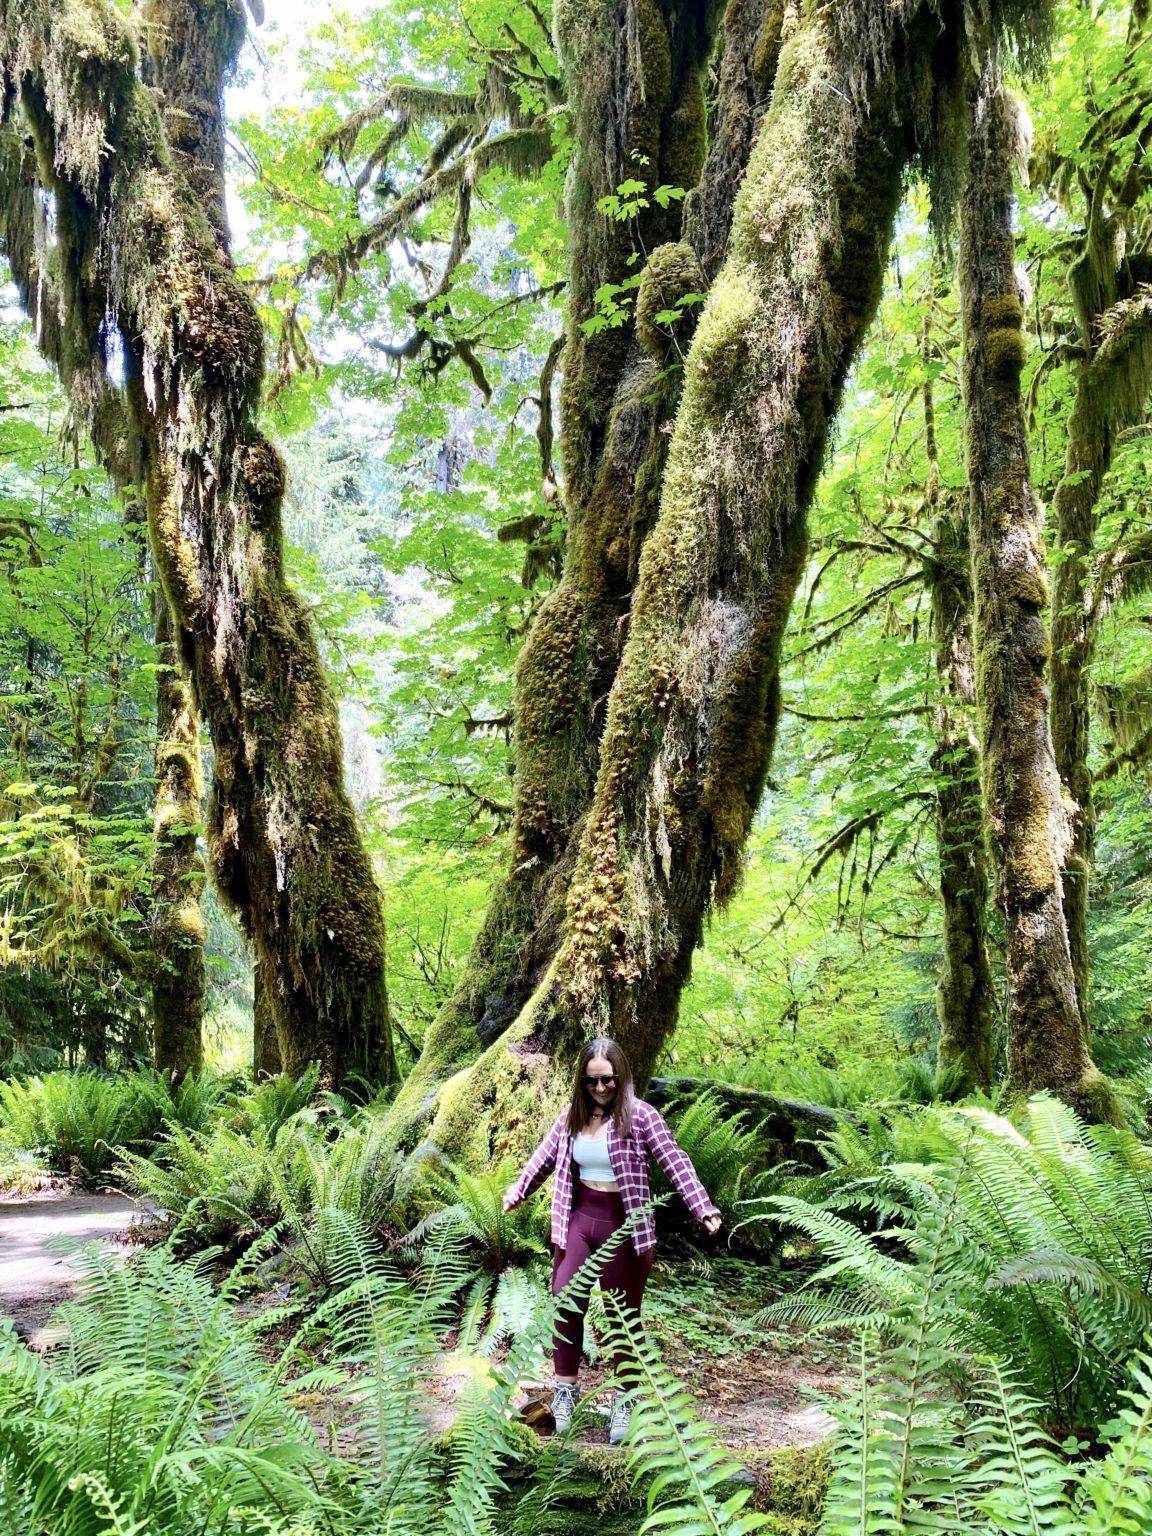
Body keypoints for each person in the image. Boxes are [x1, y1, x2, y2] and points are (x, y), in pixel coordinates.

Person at [502, 1037, 722, 1444]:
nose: (600, 1088)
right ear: (581, 1082)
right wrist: (516, 1192)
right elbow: (544, 1157)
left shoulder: (641, 1117)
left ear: (621, 1076)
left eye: (608, 1080)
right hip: (580, 1219)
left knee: (622, 1316)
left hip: (626, 1225)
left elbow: (675, 1160)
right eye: (591, 1082)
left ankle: (626, 1397)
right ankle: (565, 1391)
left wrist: (702, 1207)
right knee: (566, 1301)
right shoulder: (573, 1116)